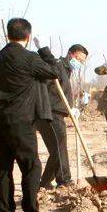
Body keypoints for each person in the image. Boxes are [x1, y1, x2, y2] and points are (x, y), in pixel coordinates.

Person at [0, 18, 59, 212]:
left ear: (8, 34)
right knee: (31, 166)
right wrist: (44, 50)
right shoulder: (30, 58)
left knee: (3, 169)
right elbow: (55, 72)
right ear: (28, 36)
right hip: (22, 122)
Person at [36, 43, 86, 188]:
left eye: (82, 61)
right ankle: (64, 180)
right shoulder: (58, 66)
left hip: (57, 112)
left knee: (57, 149)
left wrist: (71, 108)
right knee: (60, 147)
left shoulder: (66, 70)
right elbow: (45, 86)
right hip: (49, 113)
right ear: (71, 54)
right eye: (79, 59)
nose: (80, 63)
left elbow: (61, 94)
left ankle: (44, 182)